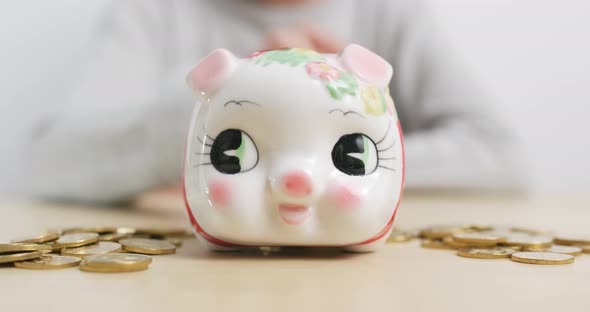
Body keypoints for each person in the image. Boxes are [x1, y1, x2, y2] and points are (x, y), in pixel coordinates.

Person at [10, 0, 524, 203]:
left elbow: (502, 157)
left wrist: (352, 152)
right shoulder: (155, 13)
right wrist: (214, 117)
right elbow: (46, 163)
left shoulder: (388, 12)